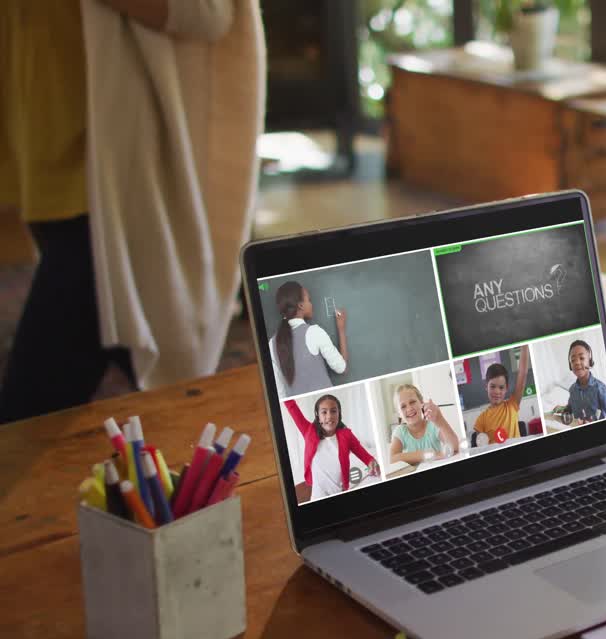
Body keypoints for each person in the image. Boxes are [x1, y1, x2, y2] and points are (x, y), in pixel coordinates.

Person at [0, 0, 264, 423]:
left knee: (26, 415)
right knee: (147, 382)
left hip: (114, 187)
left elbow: (209, 12)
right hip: (45, 164)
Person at [284, 396, 379, 503]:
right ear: (317, 416)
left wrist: (372, 462)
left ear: (339, 414)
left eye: (333, 411)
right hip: (317, 496)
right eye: (324, 412)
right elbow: (291, 407)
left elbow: (365, 455)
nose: (329, 416)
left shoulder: (347, 435)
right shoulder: (308, 431)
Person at [268, 282, 350, 397]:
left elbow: (281, 394)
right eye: (309, 300)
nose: (311, 304)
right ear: (301, 305)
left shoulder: (271, 345)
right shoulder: (314, 333)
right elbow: (342, 368)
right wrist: (341, 329)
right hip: (329, 401)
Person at [388, 383, 461, 465]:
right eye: (403, 406)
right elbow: (392, 459)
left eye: (412, 402)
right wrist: (425, 455)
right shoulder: (400, 431)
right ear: (399, 413)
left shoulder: (433, 425)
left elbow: (454, 448)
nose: (409, 408)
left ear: (421, 403)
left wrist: (440, 420)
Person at [472, 346, 531, 444]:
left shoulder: (512, 404)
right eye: (493, 386)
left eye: (501, 387)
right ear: (486, 386)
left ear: (506, 388)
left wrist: (524, 346)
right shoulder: (481, 419)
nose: (497, 391)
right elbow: (482, 446)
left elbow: (523, 373)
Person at [565, 340, 606, 423]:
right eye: (573, 360)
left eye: (582, 358)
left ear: (590, 361)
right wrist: (563, 409)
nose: (577, 362)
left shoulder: (600, 388)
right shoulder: (572, 389)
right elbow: (570, 407)